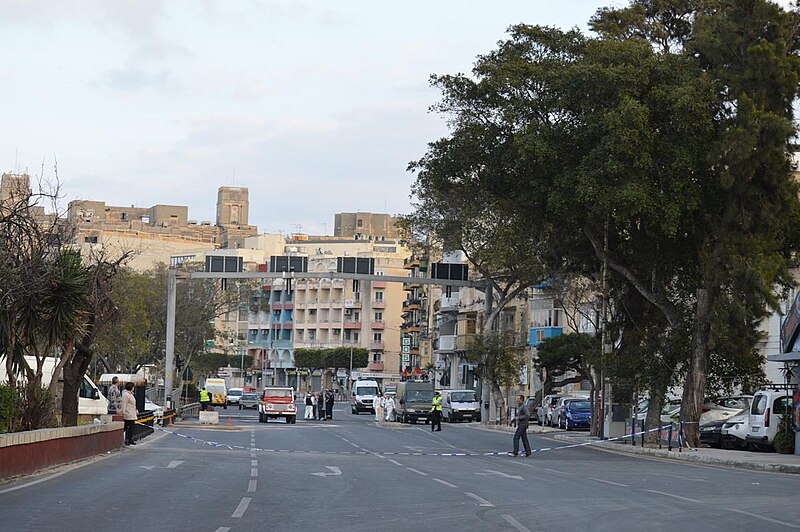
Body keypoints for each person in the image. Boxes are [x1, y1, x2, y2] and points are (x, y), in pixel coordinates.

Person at [121, 382, 138, 446]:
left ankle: (129, 439)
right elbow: (124, 404)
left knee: (130, 426)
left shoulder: (131, 394)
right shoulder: (125, 395)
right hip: (128, 414)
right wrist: (123, 413)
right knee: (129, 426)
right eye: (133, 387)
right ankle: (128, 439)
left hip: (132, 413)